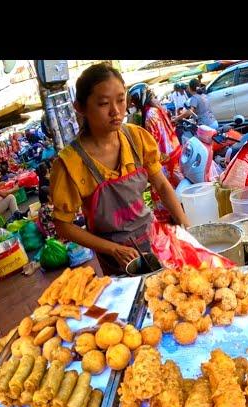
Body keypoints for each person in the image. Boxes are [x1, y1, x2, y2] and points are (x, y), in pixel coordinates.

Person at [50, 63, 190, 274]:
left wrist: (184, 222)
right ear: (80, 107)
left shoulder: (136, 137)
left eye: (121, 100)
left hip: (153, 237)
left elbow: (161, 184)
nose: (116, 111)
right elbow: (63, 225)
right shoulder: (70, 164)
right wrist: (113, 249)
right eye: (103, 103)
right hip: (115, 257)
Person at [128, 83, 182, 187]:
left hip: (164, 158)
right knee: (178, 188)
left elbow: (151, 142)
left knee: (164, 191)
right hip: (174, 151)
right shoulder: (157, 109)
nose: (134, 103)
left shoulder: (149, 115)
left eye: (134, 100)